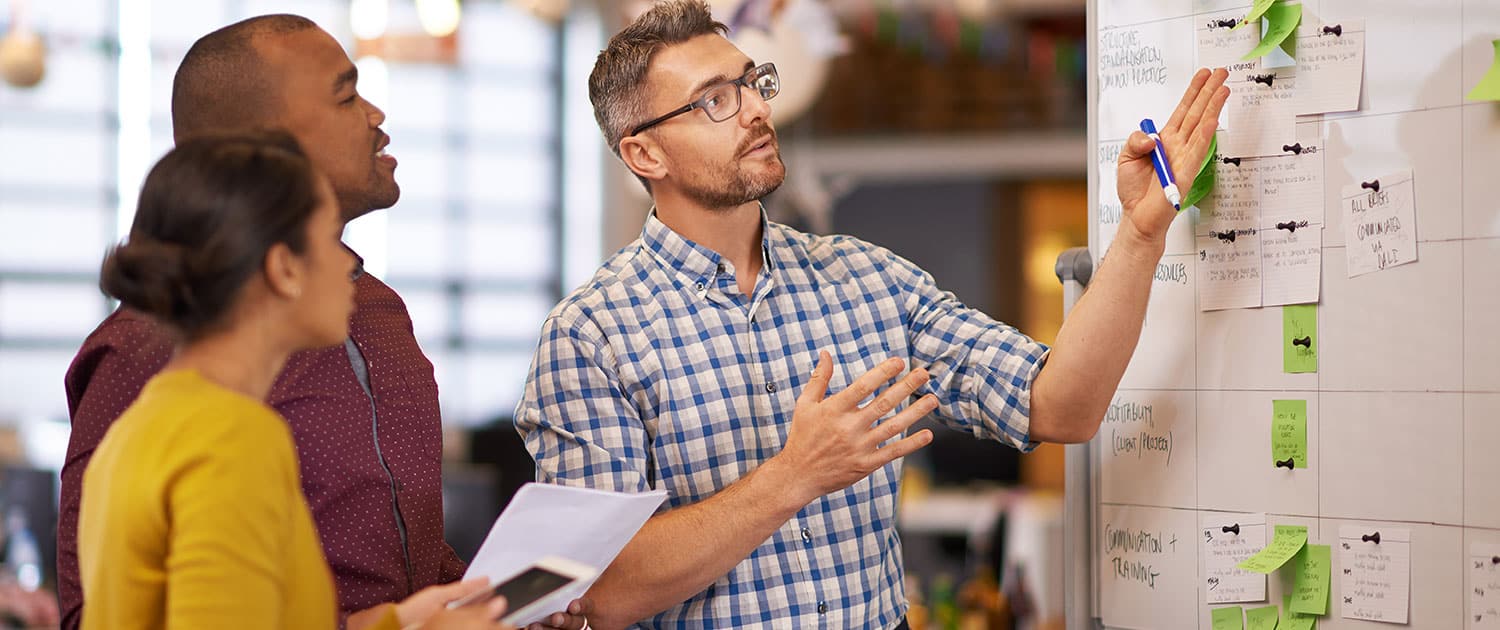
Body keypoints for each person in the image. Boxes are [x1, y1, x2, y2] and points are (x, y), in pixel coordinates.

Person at [514, 1, 1229, 628]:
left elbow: (1062, 406)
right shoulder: (591, 336)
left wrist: (1141, 232)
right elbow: (598, 593)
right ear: (644, 152)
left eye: (751, 83)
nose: (759, 109)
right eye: (714, 101)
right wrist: (795, 475)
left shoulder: (865, 277)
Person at [58, 15, 591, 630]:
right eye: (346, 95)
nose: (375, 114)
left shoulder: (379, 314)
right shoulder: (193, 399)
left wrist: (468, 608)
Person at [79, 130, 511, 629]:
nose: (349, 264)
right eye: (329, 237)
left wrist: (395, 623)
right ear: (284, 268)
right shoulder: (231, 436)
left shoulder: (147, 422)